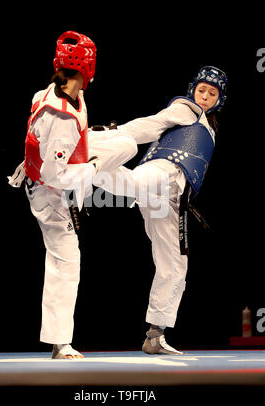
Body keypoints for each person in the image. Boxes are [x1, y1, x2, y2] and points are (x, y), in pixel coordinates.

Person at [8, 31, 137, 359]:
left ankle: (138, 192)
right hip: (49, 193)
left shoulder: (52, 92)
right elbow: (55, 175)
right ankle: (60, 342)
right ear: (88, 68)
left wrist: (88, 144)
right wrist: (92, 169)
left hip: (63, 159)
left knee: (126, 144)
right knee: (66, 261)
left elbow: (52, 146)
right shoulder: (60, 117)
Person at [93, 66, 228, 355]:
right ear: (193, 89)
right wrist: (110, 134)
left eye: (211, 93)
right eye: (201, 90)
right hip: (164, 171)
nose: (204, 96)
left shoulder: (207, 124)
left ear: (219, 99)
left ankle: (156, 333)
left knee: (175, 265)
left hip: (174, 197)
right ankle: (84, 157)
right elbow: (151, 124)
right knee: (132, 182)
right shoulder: (186, 108)